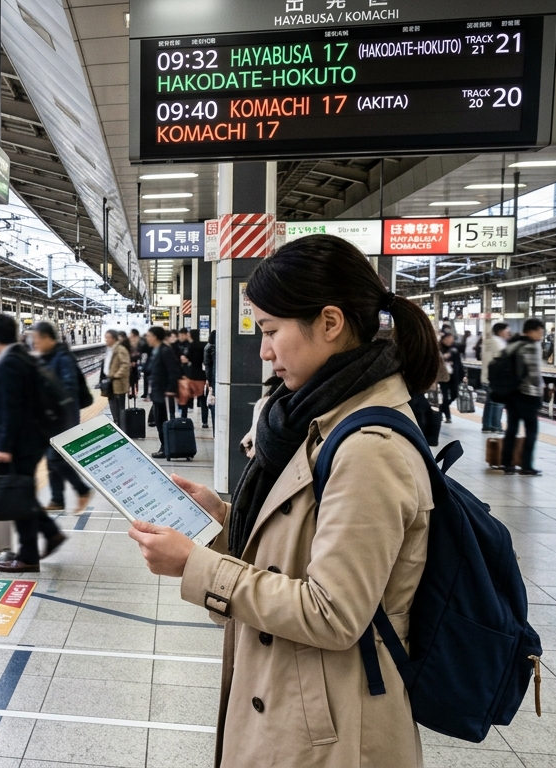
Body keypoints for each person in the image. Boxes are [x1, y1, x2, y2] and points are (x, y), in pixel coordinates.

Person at [127, 233, 440, 767]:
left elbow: (333, 611)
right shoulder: (315, 418)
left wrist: (196, 566)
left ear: (330, 322)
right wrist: (223, 520)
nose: (264, 350)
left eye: (271, 331)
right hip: (297, 697)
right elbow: (300, 542)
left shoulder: (369, 448)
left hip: (334, 727)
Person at [0, 313, 66, 573]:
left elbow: (11, 408)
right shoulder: (21, 356)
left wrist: (4, 447)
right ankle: (50, 534)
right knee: (23, 494)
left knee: (18, 497)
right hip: (30, 440)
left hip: (19, 444)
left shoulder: (10, 362)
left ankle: (28, 556)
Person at [33, 321, 94, 514]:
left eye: (37, 340)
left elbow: (69, 388)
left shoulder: (63, 357)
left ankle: (82, 490)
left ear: (48, 338)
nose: (34, 344)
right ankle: (57, 499)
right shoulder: (46, 357)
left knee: (55, 458)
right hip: (51, 418)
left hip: (65, 417)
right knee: (52, 460)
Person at [502, 318, 546, 476]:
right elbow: (534, 375)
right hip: (527, 395)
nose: (541, 334)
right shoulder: (531, 347)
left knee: (511, 430)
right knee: (531, 431)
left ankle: (507, 463)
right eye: (540, 331)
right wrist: (540, 393)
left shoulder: (513, 344)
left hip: (512, 394)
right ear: (532, 331)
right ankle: (526, 465)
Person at [144, 326, 182, 459]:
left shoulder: (165, 351)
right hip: (158, 393)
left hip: (165, 395)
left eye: (148, 336)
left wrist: (171, 390)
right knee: (160, 422)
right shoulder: (155, 350)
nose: (147, 338)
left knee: (164, 422)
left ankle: (167, 448)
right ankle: (165, 446)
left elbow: (174, 371)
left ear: (155, 336)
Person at [481, 322, 510, 433]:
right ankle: (496, 426)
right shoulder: (499, 344)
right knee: (498, 403)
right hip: (496, 379)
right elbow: (503, 362)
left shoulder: (487, 342)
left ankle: (487, 426)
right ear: (501, 331)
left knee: (490, 403)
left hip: (486, 376)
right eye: (507, 331)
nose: (508, 333)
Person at [102, 330, 131, 426]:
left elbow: (125, 365)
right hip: (111, 383)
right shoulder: (111, 349)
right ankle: (117, 423)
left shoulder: (120, 349)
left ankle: (121, 426)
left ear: (114, 339)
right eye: (105, 337)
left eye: (108, 337)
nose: (106, 340)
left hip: (118, 383)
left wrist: (116, 375)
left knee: (119, 408)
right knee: (113, 406)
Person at [182, 331, 210, 427]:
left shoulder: (190, 346)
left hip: (191, 375)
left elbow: (186, 359)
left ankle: (184, 418)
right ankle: (205, 422)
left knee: (186, 399)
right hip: (202, 376)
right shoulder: (204, 346)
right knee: (203, 401)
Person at [438, 332, 464, 424]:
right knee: (444, 397)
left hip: (454, 376)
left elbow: (459, 363)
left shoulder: (454, 349)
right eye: (448, 338)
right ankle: (448, 416)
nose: (450, 340)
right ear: (443, 339)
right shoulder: (438, 348)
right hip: (442, 377)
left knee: (454, 394)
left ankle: (441, 408)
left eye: (451, 339)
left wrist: (462, 375)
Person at [128, 329, 144, 397]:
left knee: (135, 380)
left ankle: (135, 392)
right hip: (129, 365)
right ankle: (130, 392)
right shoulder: (128, 345)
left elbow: (142, 356)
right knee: (130, 380)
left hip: (136, 366)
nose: (131, 338)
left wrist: (137, 363)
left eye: (132, 336)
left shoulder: (140, 344)